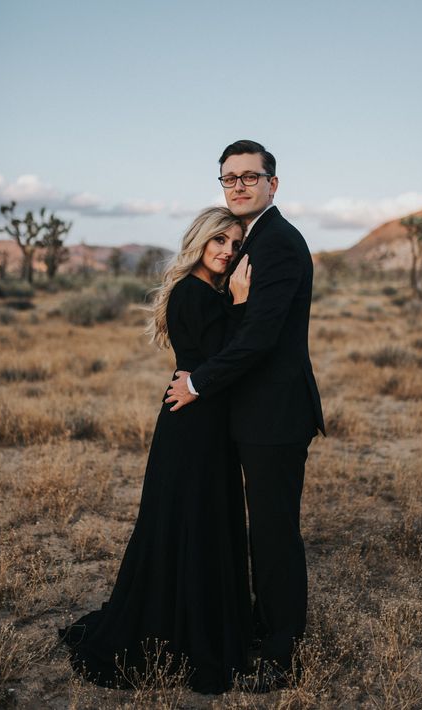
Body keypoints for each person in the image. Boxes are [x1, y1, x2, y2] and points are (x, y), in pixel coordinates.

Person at [59, 206, 253, 695]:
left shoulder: (208, 290)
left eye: (234, 244)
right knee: (188, 516)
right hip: (192, 421)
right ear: (200, 241)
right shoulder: (193, 290)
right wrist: (241, 303)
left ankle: (198, 617)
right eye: (219, 242)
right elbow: (218, 358)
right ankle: (182, 630)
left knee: (200, 515)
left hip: (203, 417)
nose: (227, 251)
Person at [166, 140, 325, 691]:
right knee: (260, 529)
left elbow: (258, 338)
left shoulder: (278, 244)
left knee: (275, 533)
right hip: (248, 414)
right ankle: (263, 627)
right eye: (228, 178)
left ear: (272, 184)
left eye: (249, 177)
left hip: (274, 417)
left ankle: (282, 654)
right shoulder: (251, 242)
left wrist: (198, 381)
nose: (238, 185)